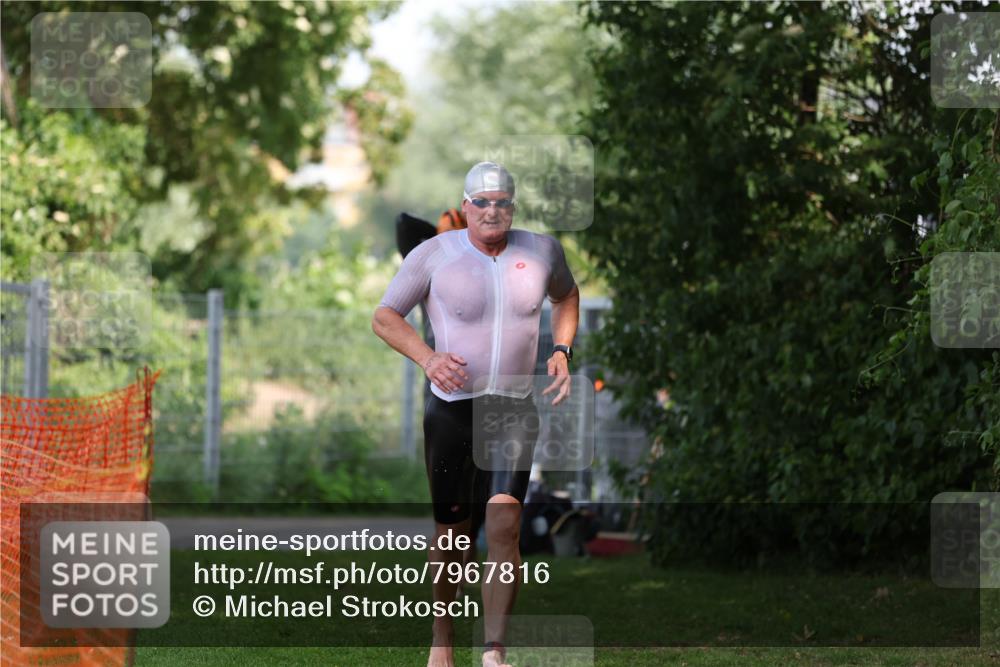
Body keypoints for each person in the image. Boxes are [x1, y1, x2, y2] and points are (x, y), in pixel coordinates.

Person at [372, 161, 580, 667]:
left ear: (513, 206)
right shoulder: (435, 254)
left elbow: (567, 295)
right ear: (465, 207)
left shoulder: (542, 251)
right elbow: (384, 316)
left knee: (505, 524)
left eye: (502, 202)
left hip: (512, 410)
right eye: (481, 202)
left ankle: (494, 650)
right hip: (451, 413)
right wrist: (428, 358)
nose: (492, 211)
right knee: (453, 537)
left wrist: (561, 349)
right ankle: (442, 639)